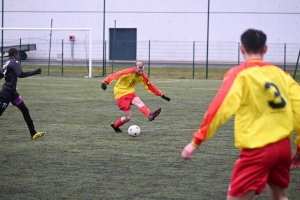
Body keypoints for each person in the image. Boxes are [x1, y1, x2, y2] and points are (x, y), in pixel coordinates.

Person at [181, 29, 300, 200]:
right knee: (280, 196)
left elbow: (219, 108)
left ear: (242, 49)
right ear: (265, 49)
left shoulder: (239, 74)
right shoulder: (282, 75)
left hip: (257, 149)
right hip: (283, 148)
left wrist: (196, 141)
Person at [101, 61, 171, 132]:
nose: (141, 72)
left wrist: (162, 95)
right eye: (139, 70)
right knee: (128, 117)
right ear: (135, 68)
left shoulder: (142, 76)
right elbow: (115, 75)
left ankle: (150, 115)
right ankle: (115, 126)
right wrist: (105, 82)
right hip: (120, 93)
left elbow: (150, 86)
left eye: (142, 70)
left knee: (139, 102)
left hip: (130, 92)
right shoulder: (128, 72)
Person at [0, 48, 45, 140]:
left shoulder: (7, 63)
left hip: (12, 93)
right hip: (7, 93)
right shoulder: (14, 62)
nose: (18, 56)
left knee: (25, 110)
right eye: (18, 55)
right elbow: (20, 74)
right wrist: (35, 72)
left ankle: (33, 133)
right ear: (15, 55)